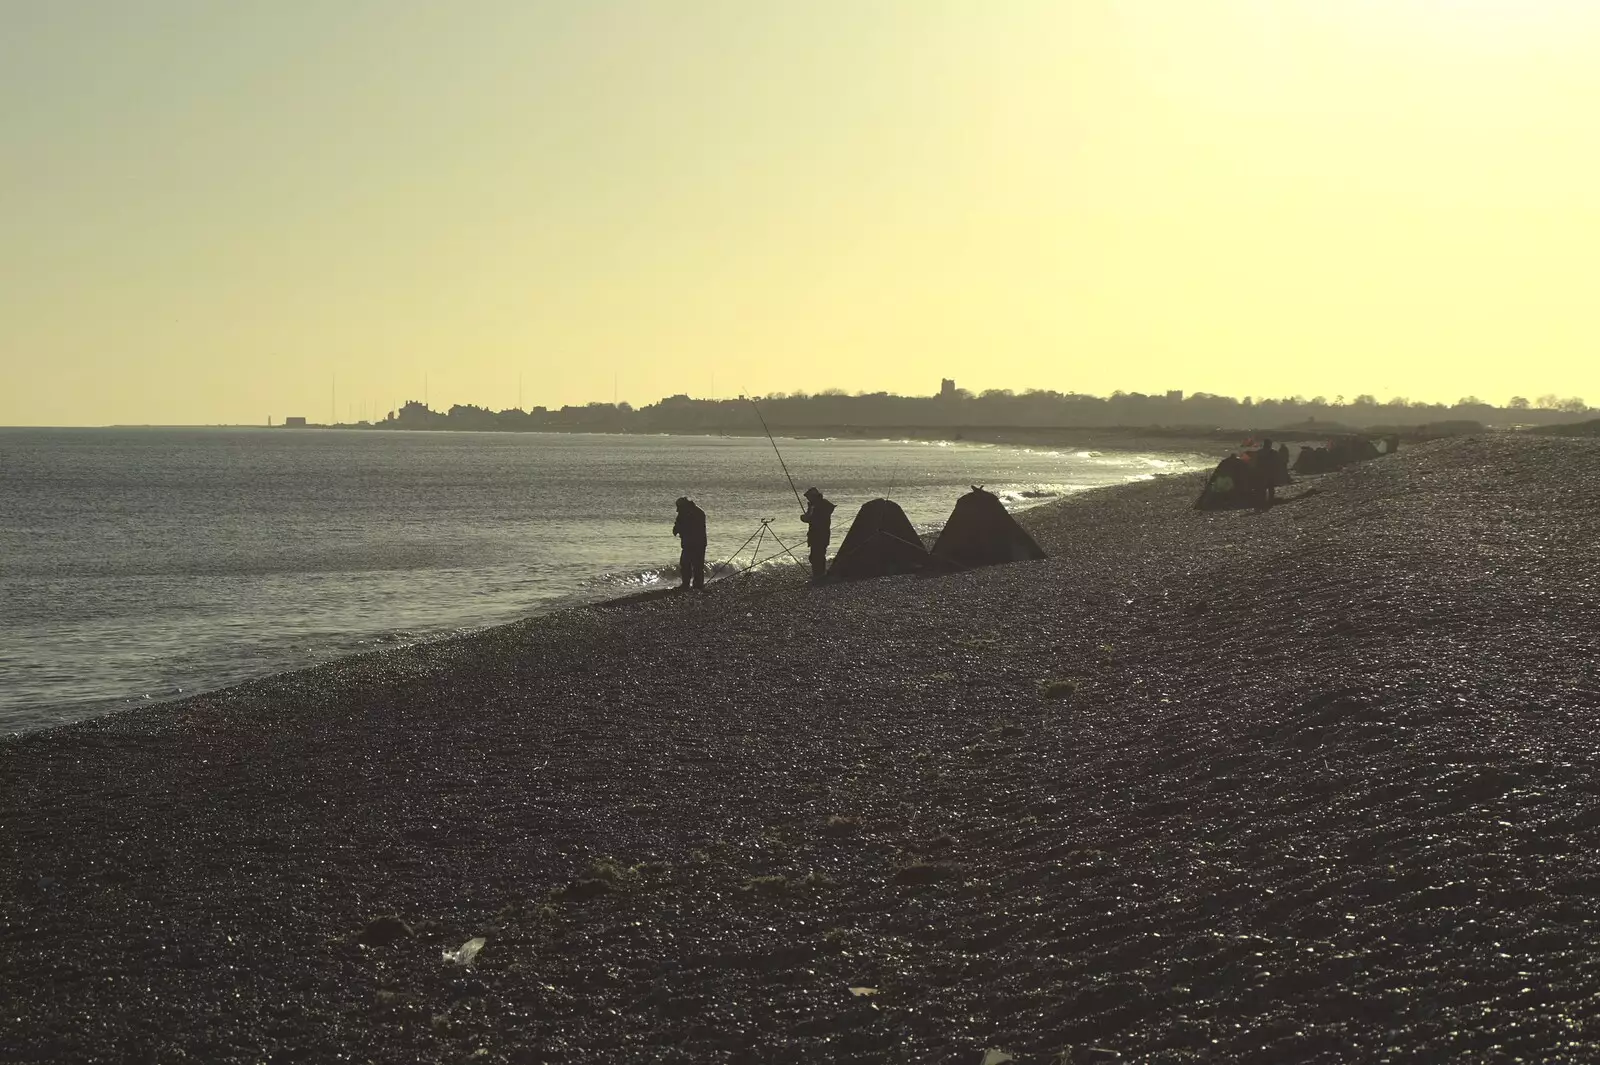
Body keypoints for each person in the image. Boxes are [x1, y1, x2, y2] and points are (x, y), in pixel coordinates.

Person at [799, 487, 836, 581]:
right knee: (815, 556)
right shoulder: (813, 505)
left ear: (814, 496)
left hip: (821, 534)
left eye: (809, 497)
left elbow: (814, 519)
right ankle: (818, 574)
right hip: (814, 534)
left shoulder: (822, 505)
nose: (808, 499)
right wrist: (804, 517)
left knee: (818, 555)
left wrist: (806, 517)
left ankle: (820, 575)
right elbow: (809, 518)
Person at [672, 497, 707, 590]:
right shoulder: (683, 513)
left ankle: (697, 585)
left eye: (679, 507)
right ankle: (686, 584)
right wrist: (676, 529)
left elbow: (692, 528)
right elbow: (677, 524)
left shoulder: (698, 513)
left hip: (698, 543)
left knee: (697, 566)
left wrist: (680, 529)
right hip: (688, 543)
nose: (677, 510)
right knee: (685, 564)